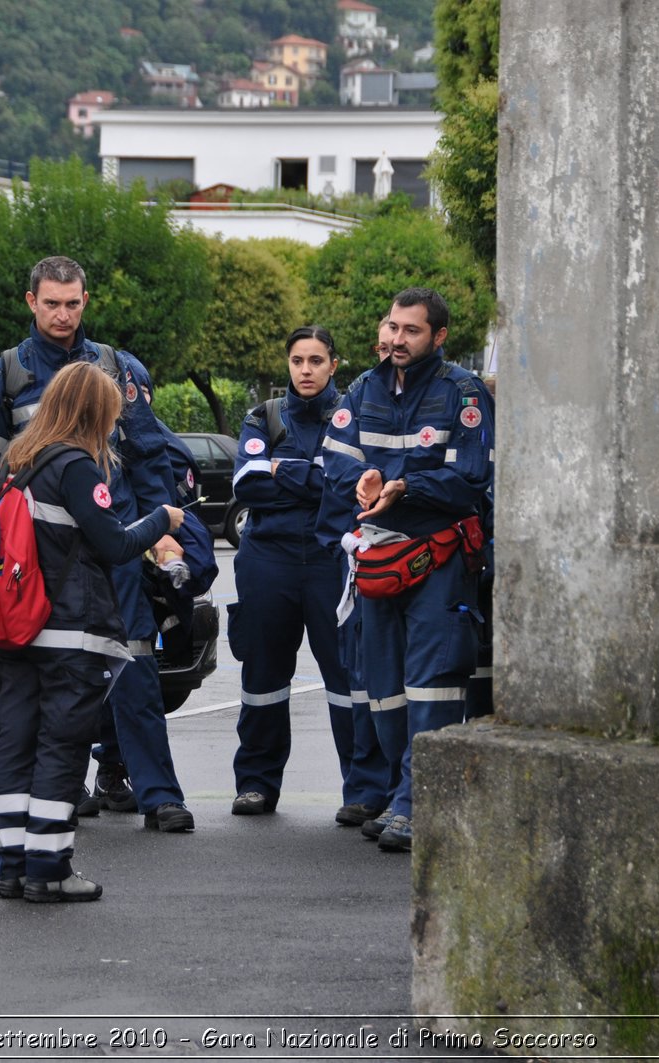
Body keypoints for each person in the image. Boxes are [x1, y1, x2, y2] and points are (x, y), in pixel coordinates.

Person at [0, 256, 196, 833]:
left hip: (111, 546)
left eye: (72, 303)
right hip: (35, 559)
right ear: (31, 302)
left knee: (135, 665)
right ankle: (62, 791)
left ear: (85, 301)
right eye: (51, 303)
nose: (62, 314)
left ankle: (158, 794)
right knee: (49, 675)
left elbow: (148, 458)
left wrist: (164, 539)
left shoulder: (118, 368)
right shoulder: (7, 375)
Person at [0, 361, 186, 902]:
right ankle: (49, 869)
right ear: (94, 412)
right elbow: (114, 543)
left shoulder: (16, 461)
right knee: (62, 747)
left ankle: (12, 866)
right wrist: (161, 520)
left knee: (16, 745)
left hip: (15, 631)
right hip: (68, 632)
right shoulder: (76, 465)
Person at [318, 288, 495, 854]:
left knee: (433, 685)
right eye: (392, 326)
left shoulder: (463, 393)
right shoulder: (363, 389)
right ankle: (403, 792)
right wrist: (363, 484)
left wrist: (405, 486)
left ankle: (420, 805)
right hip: (376, 556)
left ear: (438, 337)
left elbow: (472, 478)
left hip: (438, 558)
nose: (396, 339)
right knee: (383, 690)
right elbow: (336, 464)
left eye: (411, 331)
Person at [228, 326, 388, 822]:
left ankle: (362, 790)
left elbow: (344, 489)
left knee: (347, 679)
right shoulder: (263, 416)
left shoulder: (354, 415)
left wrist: (283, 469)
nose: (305, 370)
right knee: (263, 678)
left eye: (316, 360)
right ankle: (256, 784)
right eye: (297, 360)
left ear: (334, 365)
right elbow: (248, 487)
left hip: (330, 559)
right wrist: (313, 476)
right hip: (266, 559)